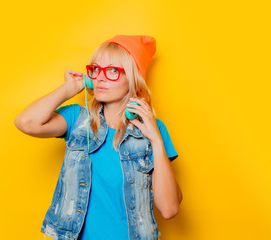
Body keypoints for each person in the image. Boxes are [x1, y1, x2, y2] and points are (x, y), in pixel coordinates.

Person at [14, 34, 182, 240]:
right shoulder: (77, 119)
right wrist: (70, 88)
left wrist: (156, 141)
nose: (100, 77)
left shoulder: (153, 130)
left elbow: (169, 209)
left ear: (134, 78)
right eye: (96, 69)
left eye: (113, 70)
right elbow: (26, 122)